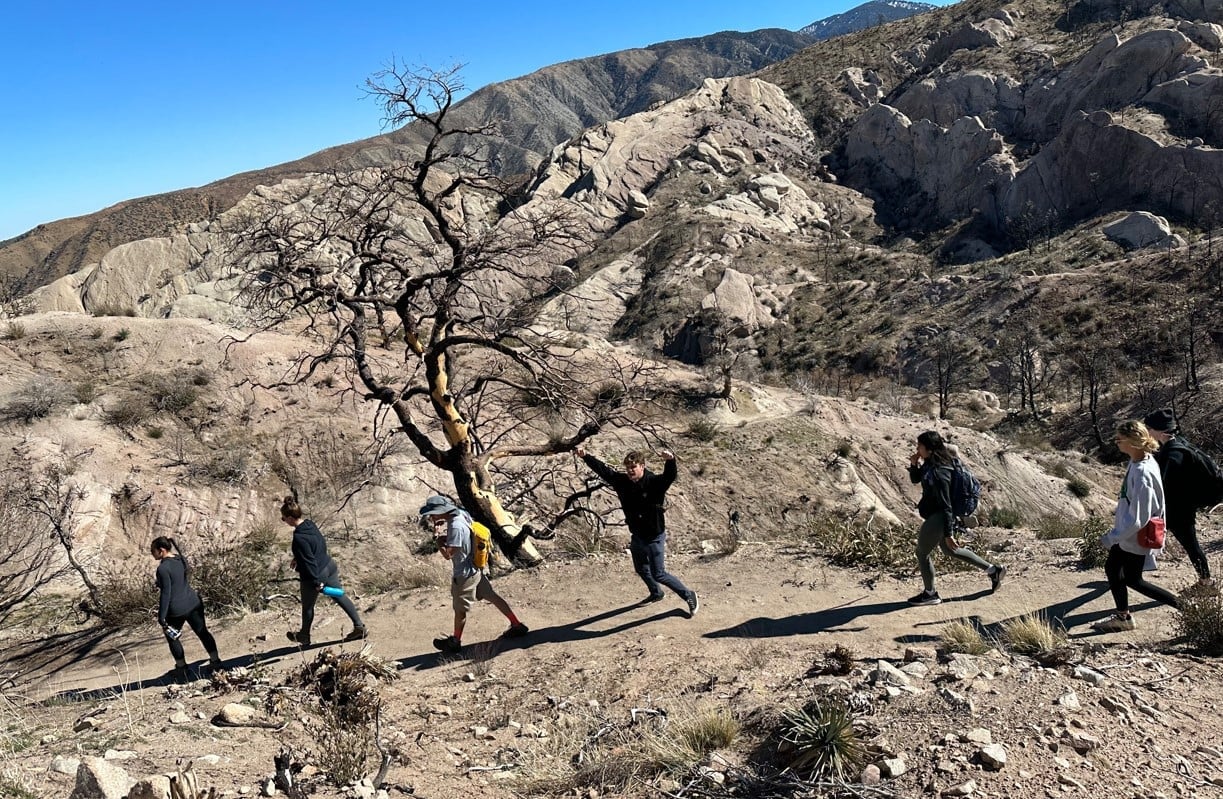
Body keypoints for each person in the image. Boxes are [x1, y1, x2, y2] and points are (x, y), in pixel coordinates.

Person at [574, 446, 699, 616]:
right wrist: (585, 456)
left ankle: (688, 594)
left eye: (633, 467)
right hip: (637, 536)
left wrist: (670, 461)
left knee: (659, 573)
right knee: (641, 568)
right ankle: (656, 593)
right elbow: (604, 470)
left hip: (654, 536)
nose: (630, 471)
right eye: (628, 468)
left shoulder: (654, 483)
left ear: (642, 466)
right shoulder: (622, 482)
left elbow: (669, 477)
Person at [1093, 420, 1181, 632]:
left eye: (1119, 440)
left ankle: (1185, 607)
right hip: (1128, 534)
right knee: (1113, 568)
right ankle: (1122, 617)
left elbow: (1138, 519)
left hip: (1134, 536)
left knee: (1134, 579)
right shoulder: (1141, 460)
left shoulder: (1143, 474)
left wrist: (1111, 537)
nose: (1116, 443)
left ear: (1132, 442)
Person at [907, 431, 1006, 605]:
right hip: (939, 515)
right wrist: (914, 464)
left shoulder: (940, 472)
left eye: (919, 446)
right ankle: (993, 570)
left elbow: (946, 505)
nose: (917, 448)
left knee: (922, 553)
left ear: (929, 449)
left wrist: (948, 533)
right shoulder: (932, 463)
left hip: (940, 517)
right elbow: (916, 480)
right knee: (950, 551)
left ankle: (930, 594)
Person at [420, 495, 529, 654]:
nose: (431, 517)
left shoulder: (456, 527)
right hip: (475, 567)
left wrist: (438, 539)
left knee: (460, 609)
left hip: (464, 574)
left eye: (433, 513)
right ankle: (516, 625)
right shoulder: (461, 514)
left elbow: (448, 554)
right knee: (492, 596)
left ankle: (455, 642)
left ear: (440, 511)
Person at [1143, 408, 1215, 594]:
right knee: (1189, 543)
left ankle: (1206, 583)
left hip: (1178, 509)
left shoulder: (1173, 454)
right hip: (1181, 506)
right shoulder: (1178, 444)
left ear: (1158, 430)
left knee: (1190, 544)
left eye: (1148, 428)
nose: (1146, 431)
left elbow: (1164, 484)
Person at [281, 496, 367, 646]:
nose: (284, 521)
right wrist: (297, 557)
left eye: (283, 519)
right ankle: (359, 626)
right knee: (340, 596)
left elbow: (309, 562)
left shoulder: (299, 537)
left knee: (308, 606)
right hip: (329, 565)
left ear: (289, 518)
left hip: (315, 574)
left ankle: (304, 635)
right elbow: (318, 544)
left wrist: (316, 582)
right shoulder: (310, 524)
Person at [151, 536, 221, 682]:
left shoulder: (163, 569)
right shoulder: (180, 559)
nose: (152, 554)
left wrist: (161, 616)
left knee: (173, 637)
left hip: (176, 609)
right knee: (203, 632)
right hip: (194, 602)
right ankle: (215, 662)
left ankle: (182, 669)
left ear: (162, 550)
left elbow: (166, 593)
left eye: (154, 551)